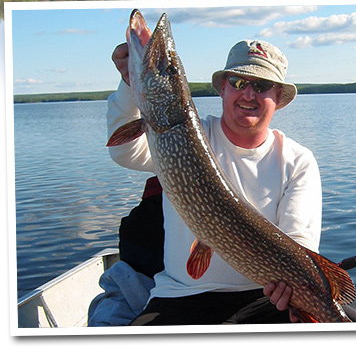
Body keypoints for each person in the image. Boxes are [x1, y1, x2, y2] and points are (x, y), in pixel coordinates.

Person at [107, 37, 322, 325]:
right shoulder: (181, 136)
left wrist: (297, 296)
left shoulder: (297, 160)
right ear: (222, 87)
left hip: (265, 297)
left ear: (278, 96)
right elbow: (125, 152)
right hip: (181, 295)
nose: (248, 94)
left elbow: (299, 242)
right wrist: (129, 83)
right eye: (237, 82)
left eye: (261, 86)